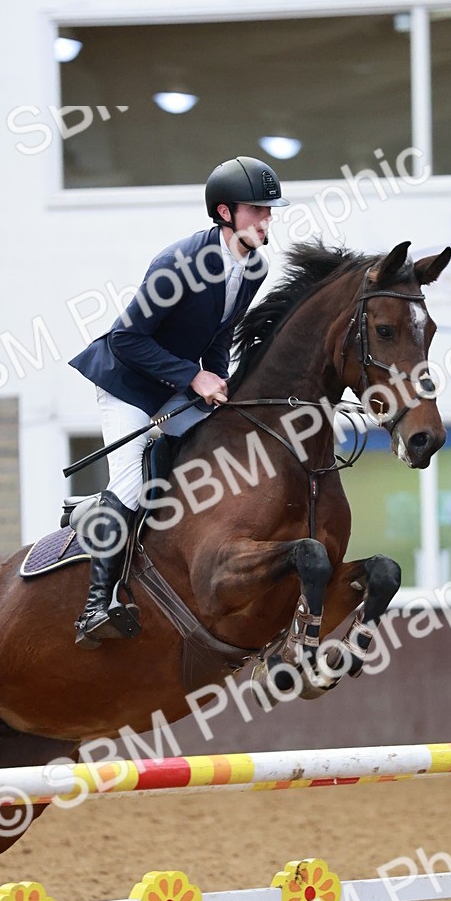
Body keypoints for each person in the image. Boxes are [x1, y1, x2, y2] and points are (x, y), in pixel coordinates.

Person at [68, 156, 289, 649]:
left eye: (269, 211)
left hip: (174, 382)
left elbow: (220, 333)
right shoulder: (179, 264)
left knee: (210, 450)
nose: (267, 219)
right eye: (258, 211)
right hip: (127, 381)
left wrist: (220, 380)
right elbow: (126, 339)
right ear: (226, 213)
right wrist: (194, 376)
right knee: (130, 482)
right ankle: (95, 606)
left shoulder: (255, 266)